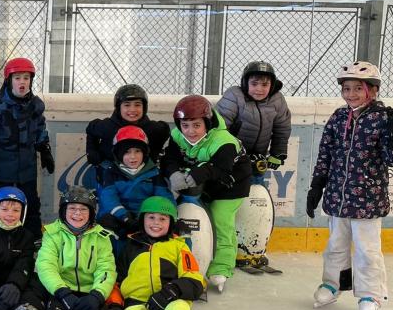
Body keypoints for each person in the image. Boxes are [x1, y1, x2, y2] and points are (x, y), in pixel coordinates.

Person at [106, 196, 261, 310]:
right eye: (151, 217)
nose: (156, 223)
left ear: (171, 222)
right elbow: (117, 280)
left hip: (170, 301)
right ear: (142, 220)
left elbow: (195, 278)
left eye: (163, 219)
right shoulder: (130, 247)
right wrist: (114, 303)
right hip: (138, 304)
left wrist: (171, 292)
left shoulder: (179, 247)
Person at [306, 62, 393, 310]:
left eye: (357, 89)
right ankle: (334, 284)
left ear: (372, 91)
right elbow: (325, 153)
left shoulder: (383, 119)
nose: (350, 94)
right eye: (346, 88)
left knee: (367, 250)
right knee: (335, 246)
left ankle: (370, 294)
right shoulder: (339, 117)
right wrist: (317, 186)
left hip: (368, 201)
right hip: (338, 199)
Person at [19, 186, 143, 310]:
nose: (78, 213)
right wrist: (63, 293)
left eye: (83, 209)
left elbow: (106, 268)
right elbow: (46, 266)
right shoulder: (52, 234)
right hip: (62, 291)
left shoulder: (101, 237)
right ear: (64, 211)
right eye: (72, 208)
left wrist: (97, 296)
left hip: (90, 291)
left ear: (91, 213)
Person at [162, 95, 251, 292]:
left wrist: (201, 172)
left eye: (196, 125)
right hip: (203, 182)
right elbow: (170, 159)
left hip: (231, 185)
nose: (190, 131)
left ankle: (222, 266)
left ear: (207, 123)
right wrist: (173, 172)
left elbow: (222, 169)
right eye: (185, 125)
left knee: (220, 218)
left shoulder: (223, 141)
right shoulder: (177, 136)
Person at [0, 57, 54, 236]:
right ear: (9, 80)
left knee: (31, 204)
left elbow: (40, 129)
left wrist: (45, 149)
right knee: (3, 205)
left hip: (27, 168)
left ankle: (33, 240)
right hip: (3, 168)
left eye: (26, 78)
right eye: (17, 78)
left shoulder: (35, 105)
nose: (22, 82)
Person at [96, 126, 174, 256]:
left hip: (144, 218)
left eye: (137, 151)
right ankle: (109, 263)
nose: (133, 156)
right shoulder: (110, 172)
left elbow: (164, 198)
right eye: (127, 152)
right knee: (106, 225)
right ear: (119, 154)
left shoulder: (153, 173)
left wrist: (170, 216)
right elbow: (108, 198)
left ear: (144, 153)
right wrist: (124, 216)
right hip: (118, 217)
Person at [215, 61, 292, 184]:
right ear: (245, 83)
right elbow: (219, 127)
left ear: (271, 85)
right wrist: (228, 153)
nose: (259, 89)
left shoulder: (277, 100)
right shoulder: (234, 96)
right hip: (232, 159)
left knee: (256, 192)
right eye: (254, 84)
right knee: (232, 191)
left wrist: (277, 153)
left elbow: (282, 128)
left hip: (258, 160)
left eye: (265, 85)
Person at [85, 84, 170, 172]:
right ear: (118, 108)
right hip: (110, 174)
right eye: (127, 105)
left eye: (137, 105)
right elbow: (91, 128)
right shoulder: (107, 126)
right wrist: (91, 151)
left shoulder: (152, 128)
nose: (132, 109)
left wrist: (155, 152)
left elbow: (165, 130)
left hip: (142, 176)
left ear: (144, 107)